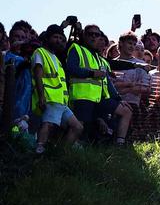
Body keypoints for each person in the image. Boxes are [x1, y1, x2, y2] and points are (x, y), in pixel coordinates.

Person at [65, 24, 132, 145]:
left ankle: (120, 145)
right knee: (79, 127)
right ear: (84, 36)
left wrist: (118, 99)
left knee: (126, 110)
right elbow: (71, 69)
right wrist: (91, 73)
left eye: (97, 34)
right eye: (90, 34)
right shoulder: (76, 48)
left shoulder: (99, 58)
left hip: (99, 99)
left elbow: (107, 82)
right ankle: (63, 152)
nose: (94, 37)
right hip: (82, 97)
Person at [30, 24, 84, 154]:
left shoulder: (56, 58)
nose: (59, 40)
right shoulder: (40, 52)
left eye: (61, 37)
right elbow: (38, 75)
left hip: (61, 101)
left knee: (78, 127)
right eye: (55, 37)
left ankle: (61, 152)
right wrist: (41, 97)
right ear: (47, 38)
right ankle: (40, 150)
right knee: (48, 124)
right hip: (49, 99)